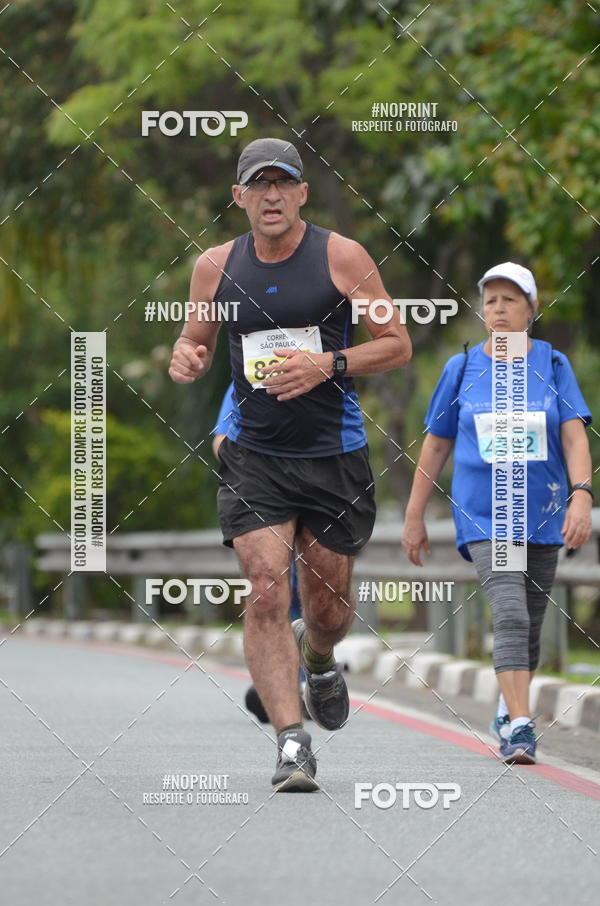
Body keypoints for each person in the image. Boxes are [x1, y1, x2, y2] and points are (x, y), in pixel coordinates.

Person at [169, 137, 411, 791]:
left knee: (328, 605)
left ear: (302, 193)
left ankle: (322, 660)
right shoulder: (214, 267)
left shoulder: (343, 257)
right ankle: (291, 743)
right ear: (239, 197)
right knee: (267, 589)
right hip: (257, 459)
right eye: (259, 184)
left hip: (333, 455)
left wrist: (328, 364)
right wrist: (185, 358)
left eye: (284, 183)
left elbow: (396, 344)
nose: (271, 195)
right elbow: (195, 340)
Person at [402, 262, 593, 765]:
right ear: (482, 311)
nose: (500, 309)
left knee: (528, 624)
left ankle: (510, 712)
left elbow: (574, 436)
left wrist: (582, 494)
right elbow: (435, 446)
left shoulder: (553, 365)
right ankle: (523, 728)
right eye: (491, 300)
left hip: (545, 513)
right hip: (487, 517)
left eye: (511, 299)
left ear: (531, 309)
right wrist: (414, 515)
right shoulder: (461, 368)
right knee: (508, 614)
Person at [211, 382, 308, 726]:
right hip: (266, 496)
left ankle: (317, 669)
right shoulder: (246, 376)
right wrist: (255, 475)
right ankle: (291, 687)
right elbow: (221, 440)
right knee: (271, 591)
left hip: (318, 491)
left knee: (322, 596)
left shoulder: (324, 366)